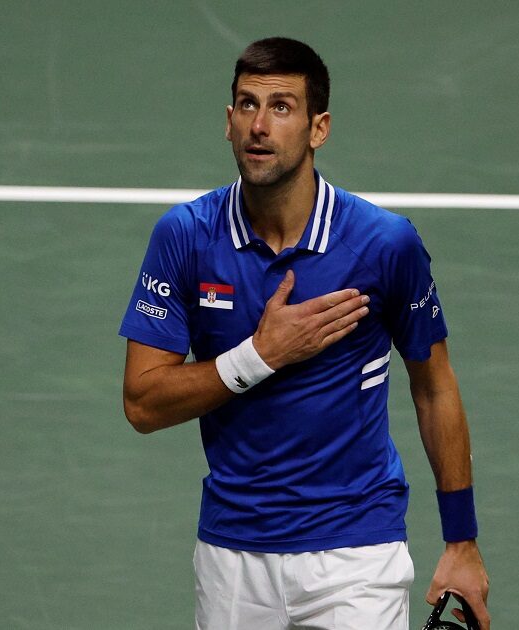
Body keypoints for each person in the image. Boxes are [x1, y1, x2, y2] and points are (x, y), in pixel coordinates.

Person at [119, 37, 490, 630]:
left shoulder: (383, 244)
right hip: (233, 556)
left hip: (356, 555)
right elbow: (141, 402)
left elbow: (434, 387)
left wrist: (461, 541)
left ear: (319, 128)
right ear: (228, 121)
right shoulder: (185, 236)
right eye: (246, 105)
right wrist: (258, 356)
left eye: (281, 107)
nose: (259, 126)